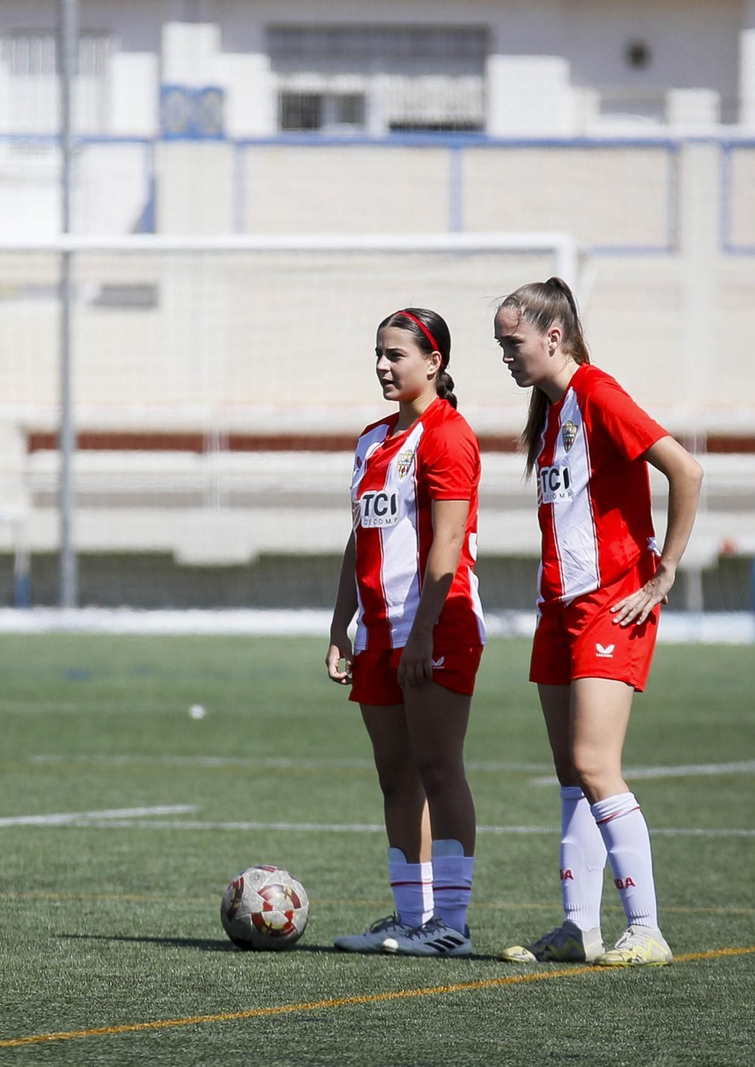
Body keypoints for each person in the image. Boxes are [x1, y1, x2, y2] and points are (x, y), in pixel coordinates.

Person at [492, 278, 703, 968]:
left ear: (554, 336)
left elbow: (686, 471)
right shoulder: (552, 414)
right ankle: (578, 925)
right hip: (559, 607)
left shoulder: (600, 395)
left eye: (513, 342)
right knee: (569, 770)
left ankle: (646, 927)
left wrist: (663, 570)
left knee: (594, 763)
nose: (507, 356)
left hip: (612, 603)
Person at [329, 308, 486, 958]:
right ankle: (410, 914)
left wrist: (422, 629)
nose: (383, 365)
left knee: (439, 767)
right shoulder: (372, 440)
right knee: (395, 774)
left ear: (434, 362)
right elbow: (358, 539)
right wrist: (341, 623)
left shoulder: (448, 435)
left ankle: (451, 923)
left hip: (437, 624)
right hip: (380, 631)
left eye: (397, 354)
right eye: (378, 353)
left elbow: (447, 541)